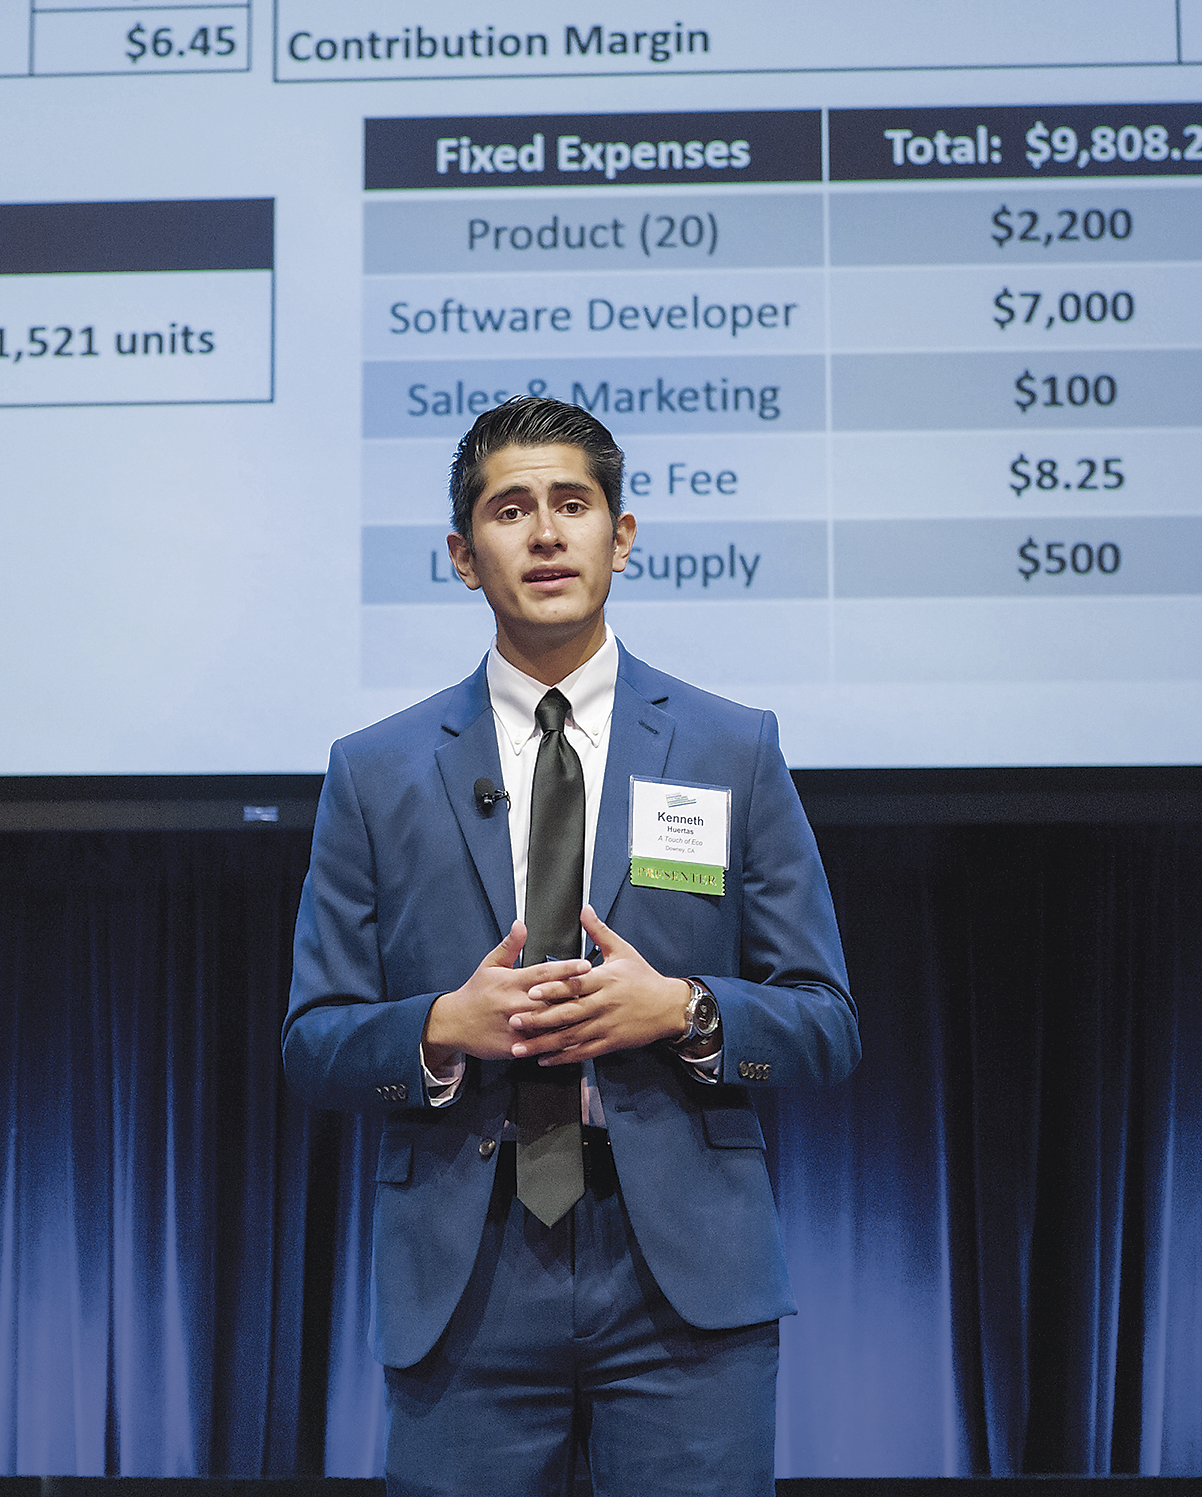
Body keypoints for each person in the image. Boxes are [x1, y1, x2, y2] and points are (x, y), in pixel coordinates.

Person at [283, 396, 858, 1495]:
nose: (545, 534)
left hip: (683, 1283)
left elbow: (827, 1023)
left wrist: (685, 1011)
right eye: (510, 509)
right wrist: (441, 1030)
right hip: (468, 1273)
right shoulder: (377, 772)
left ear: (621, 536)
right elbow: (314, 1042)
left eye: (573, 504)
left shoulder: (732, 749)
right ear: (463, 555)